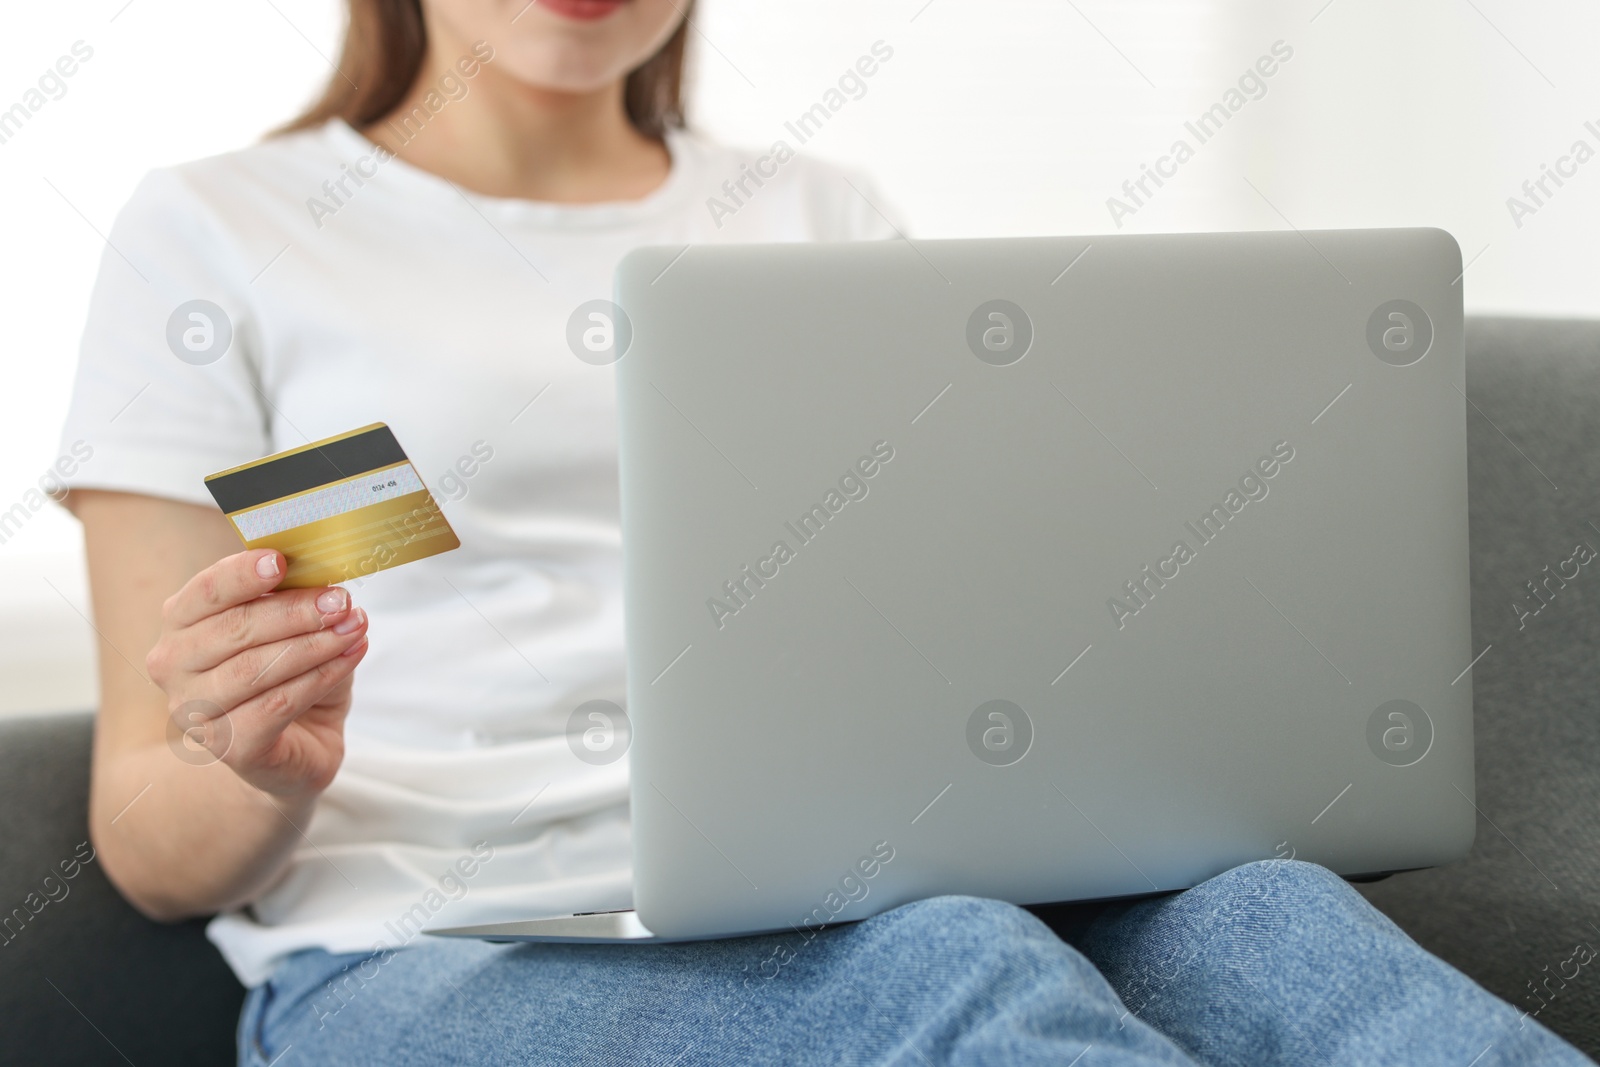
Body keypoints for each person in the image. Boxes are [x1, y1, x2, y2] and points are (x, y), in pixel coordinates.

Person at [57, 1, 1592, 1064]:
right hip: (421, 948)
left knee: (1269, 924)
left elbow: (949, 629)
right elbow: (148, 842)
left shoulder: (822, 219)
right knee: (958, 980)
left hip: (854, 883)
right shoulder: (218, 232)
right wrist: (248, 760)